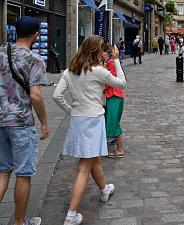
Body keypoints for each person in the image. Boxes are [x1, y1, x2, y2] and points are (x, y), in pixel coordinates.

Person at [53, 35, 126, 225]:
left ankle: (104, 190)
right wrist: (117, 61)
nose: (105, 54)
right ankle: (71, 215)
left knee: (94, 160)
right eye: (103, 50)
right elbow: (122, 84)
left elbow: (56, 95)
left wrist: (71, 109)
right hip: (93, 120)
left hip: (78, 120)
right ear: (96, 51)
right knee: (83, 167)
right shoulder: (98, 71)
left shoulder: (70, 70)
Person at [0, 16, 49, 225]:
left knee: (3, 170)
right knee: (23, 172)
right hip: (20, 122)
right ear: (36, 35)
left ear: (15, 31)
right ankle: (20, 222)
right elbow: (35, 95)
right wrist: (44, 123)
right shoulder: (35, 59)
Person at [101, 45, 125, 158]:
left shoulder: (110, 63)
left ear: (107, 52)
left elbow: (109, 80)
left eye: (103, 52)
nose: (101, 54)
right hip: (115, 94)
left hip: (113, 94)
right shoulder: (110, 62)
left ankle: (120, 150)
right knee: (112, 119)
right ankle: (112, 141)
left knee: (113, 120)